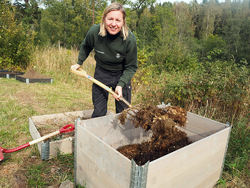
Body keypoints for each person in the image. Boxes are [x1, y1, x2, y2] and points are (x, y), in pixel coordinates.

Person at [71, 2, 138, 118]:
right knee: (99, 112)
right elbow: (86, 46)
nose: (113, 24)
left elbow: (131, 67)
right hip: (102, 73)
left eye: (118, 20)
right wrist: (79, 62)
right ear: (104, 19)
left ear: (123, 22)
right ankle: (97, 134)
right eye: (110, 19)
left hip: (121, 74)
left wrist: (121, 84)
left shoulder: (129, 39)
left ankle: (121, 135)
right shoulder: (95, 32)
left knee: (123, 114)